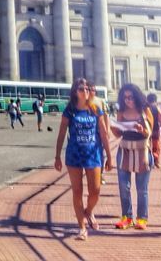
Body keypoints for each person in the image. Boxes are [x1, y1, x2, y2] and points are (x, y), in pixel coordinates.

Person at [54, 78, 112, 241]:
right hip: (74, 155)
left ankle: (88, 211)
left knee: (95, 190)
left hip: (93, 155)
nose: (85, 90)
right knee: (77, 191)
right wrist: (57, 156)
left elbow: (104, 134)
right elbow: (61, 134)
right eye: (81, 88)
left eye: (87, 88)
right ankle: (82, 227)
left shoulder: (95, 110)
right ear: (75, 91)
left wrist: (109, 156)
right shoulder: (70, 111)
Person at [111, 84, 154, 230]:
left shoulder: (144, 110)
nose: (128, 100)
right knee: (124, 186)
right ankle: (126, 217)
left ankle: (142, 218)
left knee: (142, 188)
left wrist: (142, 130)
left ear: (136, 96)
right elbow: (118, 134)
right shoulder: (121, 111)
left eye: (130, 97)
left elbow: (150, 132)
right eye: (125, 98)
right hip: (125, 150)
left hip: (142, 150)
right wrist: (113, 128)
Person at [146, 93, 161, 168]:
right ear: (155, 100)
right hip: (155, 129)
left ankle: (149, 161)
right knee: (156, 146)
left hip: (147, 129)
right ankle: (156, 161)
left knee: (147, 146)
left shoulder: (146, 108)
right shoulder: (157, 108)